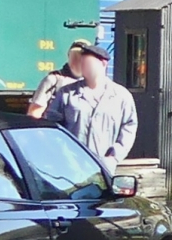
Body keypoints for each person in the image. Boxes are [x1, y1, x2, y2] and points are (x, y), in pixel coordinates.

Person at [43, 45, 137, 176]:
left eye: (88, 62)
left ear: (103, 64)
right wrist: (63, 154)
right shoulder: (67, 93)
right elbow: (52, 126)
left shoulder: (121, 96)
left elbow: (129, 127)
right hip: (70, 167)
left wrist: (114, 156)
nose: (83, 66)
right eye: (82, 62)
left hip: (103, 167)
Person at [27, 40, 91, 118]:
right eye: (74, 56)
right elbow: (34, 113)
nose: (76, 60)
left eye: (81, 56)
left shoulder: (91, 83)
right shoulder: (54, 80)